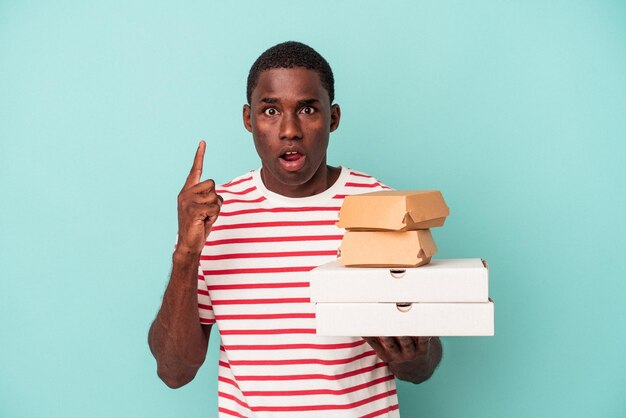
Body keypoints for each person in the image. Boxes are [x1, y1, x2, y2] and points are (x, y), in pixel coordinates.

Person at [148, 41, 442, 417]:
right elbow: (174, 372)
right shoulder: (212, 217)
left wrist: (412, 358)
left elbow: (422, 366)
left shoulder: (381, 207)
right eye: (270, 110)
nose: (290, 130)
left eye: (307, 109)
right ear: (248, 118)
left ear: (333, 117)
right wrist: (186, 255)